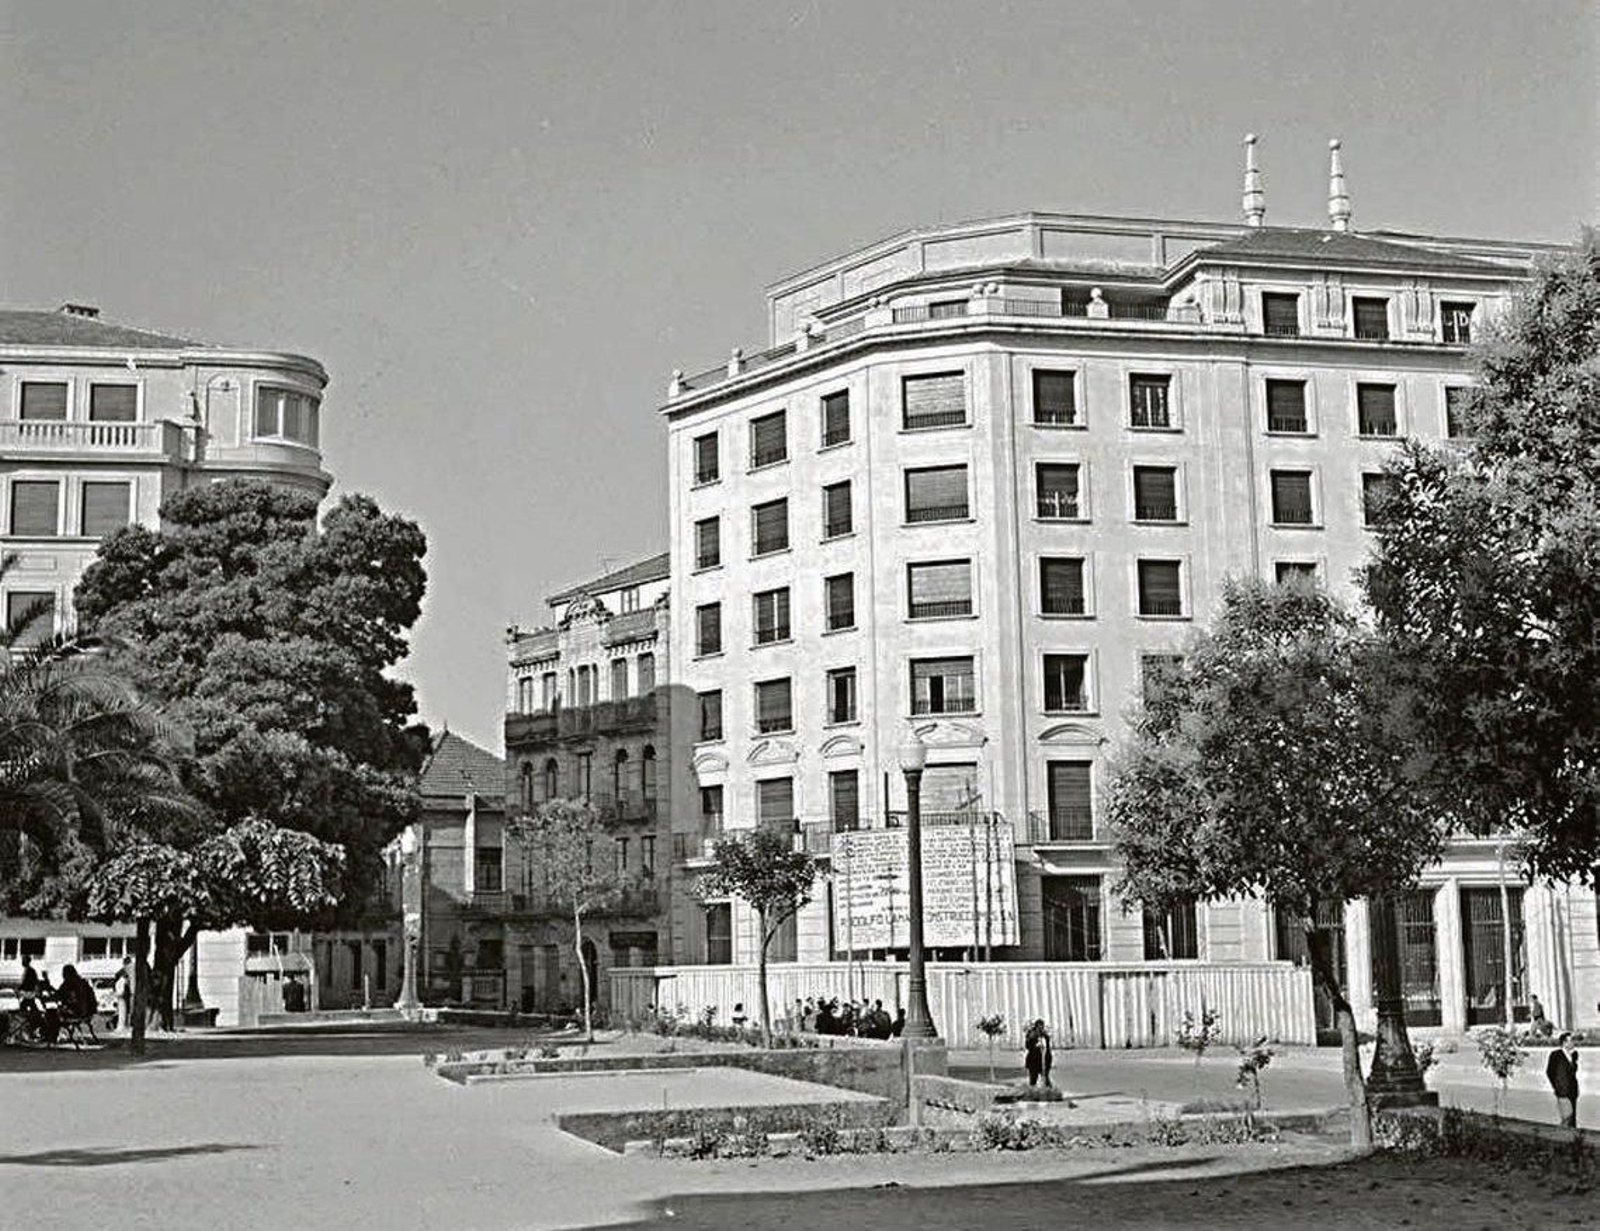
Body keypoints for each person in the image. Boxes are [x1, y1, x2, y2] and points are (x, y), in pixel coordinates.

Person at [1546, 1032, 1580, 1128]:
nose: (1573, 1042)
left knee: (1572, 1118)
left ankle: (1572, 1135)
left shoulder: (1573, 1055)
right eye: (1571, 1040)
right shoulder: (1555, 1055)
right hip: (1562, 1090)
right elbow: (1550, 1072)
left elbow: (1573, 1073)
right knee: (1567, 1116)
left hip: (1573, 1091)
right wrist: (1557, 1086)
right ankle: (1561, 1135)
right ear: (1564, 1043)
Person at [1024, 1018, 1054, 1089]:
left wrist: (1049, 1062)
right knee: (1033, 1079)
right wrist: (1035, 1044)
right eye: (1039, 1027)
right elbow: (1027, 1046)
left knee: (1046, 1078)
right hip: (1033, 1061)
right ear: (1036, 1026)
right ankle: (1032, 1092)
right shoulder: (1031, 1035)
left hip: (1044, 1060)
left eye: (1042, 1027)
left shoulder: (1045, 1035)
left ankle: (1049, 1091)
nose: (1041, 1029)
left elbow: (1048, 1049)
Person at [112, 956, 135, 1033]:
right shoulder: (136, 967)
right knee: (132, 1010)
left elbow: (117, 975)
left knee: (129, 1010)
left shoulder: (127, 967)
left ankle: (128, 1025)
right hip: (137, 991)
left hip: (130, 991)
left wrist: (114, 987)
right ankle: (131, 1025)